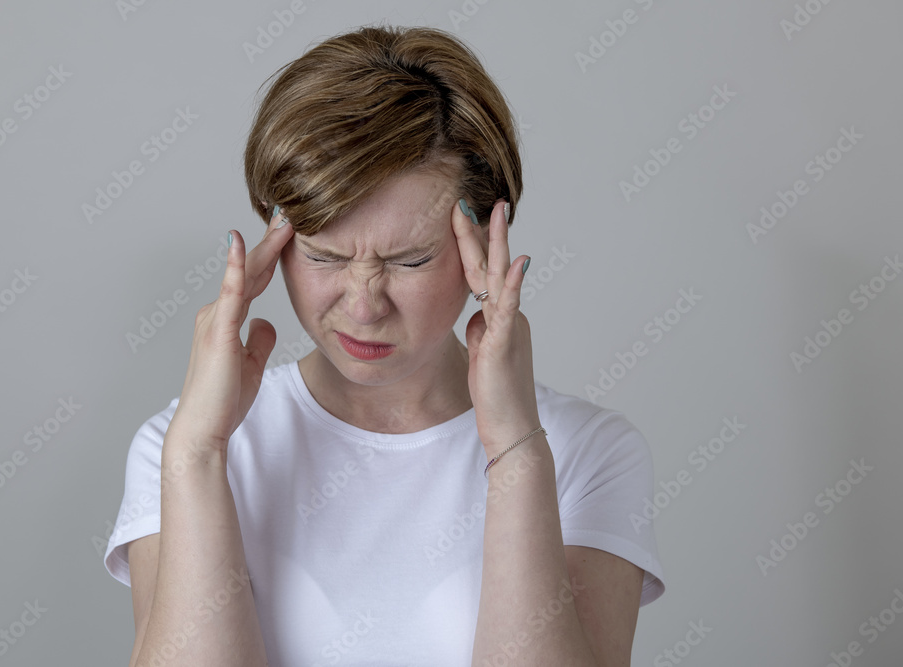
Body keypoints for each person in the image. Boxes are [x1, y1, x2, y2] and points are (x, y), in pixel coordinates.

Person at [103, 23, 665, 666]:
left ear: (485, 244)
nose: (364, 305)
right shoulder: (178, 447)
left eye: (410, 260)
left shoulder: (587, 452)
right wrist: (199, 454)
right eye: (324, 255)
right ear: (274, 241)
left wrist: (515, 450)